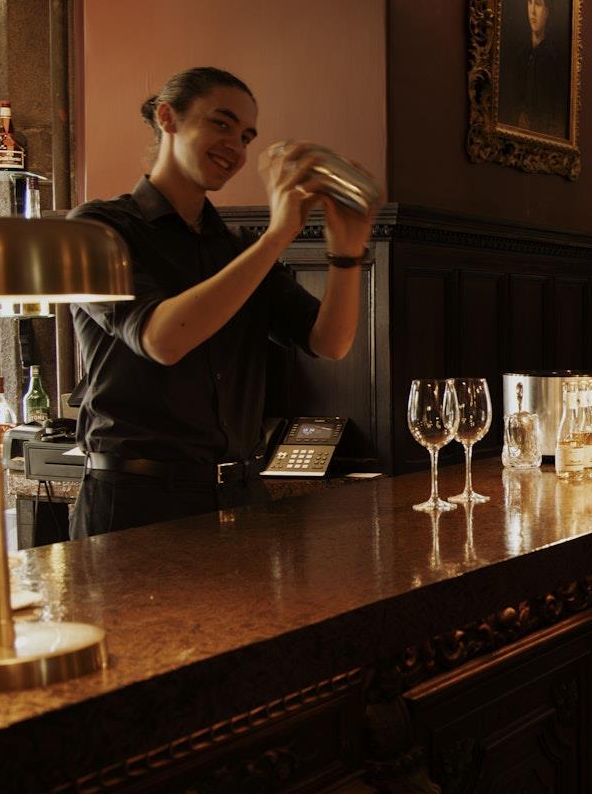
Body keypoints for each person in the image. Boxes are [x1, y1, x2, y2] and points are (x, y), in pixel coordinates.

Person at [67, 66, 382, 538]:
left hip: (238, 496)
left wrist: (347, 252)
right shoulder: (98, 229)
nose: (235, 146)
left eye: (246, 136)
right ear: (167, 117)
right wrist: (278, 235)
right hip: (134, 501)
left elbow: (329, 342)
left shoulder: (237, 249)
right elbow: (163, 340)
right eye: (221, 124)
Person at [501, 0, 567, 138]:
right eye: (529, 1)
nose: (532, 11)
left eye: (538, 3)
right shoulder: (519, 57)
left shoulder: (554, 63)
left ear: (547, 9)